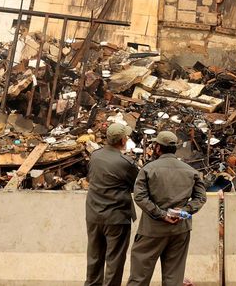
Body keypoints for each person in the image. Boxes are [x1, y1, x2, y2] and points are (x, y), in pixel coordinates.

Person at [126, 130, 207, 286]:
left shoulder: (148, 169)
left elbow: (140, 197)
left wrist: (162, 215)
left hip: (151, 231)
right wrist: (183, 212)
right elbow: (200, 198)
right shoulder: (191, 171)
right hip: (180, 230)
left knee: (139, 277)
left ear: (157, 148)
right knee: (174, 279)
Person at [85, 122, 139, 286]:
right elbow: (137, 186)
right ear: (123, 141)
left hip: (94, 215)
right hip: (116, 218)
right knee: (114, 261)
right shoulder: (125, 162)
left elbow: (90, 177)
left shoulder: (95, 155)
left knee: (94, 258)